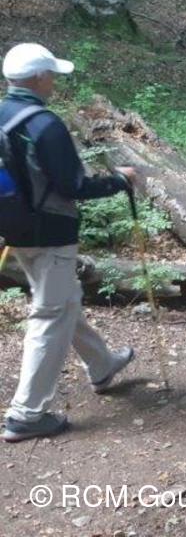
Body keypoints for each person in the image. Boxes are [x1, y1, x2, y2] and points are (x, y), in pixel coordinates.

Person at [0, 43, 138, 443]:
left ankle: (102, 365)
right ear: (39, 77)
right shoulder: (45, 124)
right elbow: (74, 186)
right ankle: (26, 414)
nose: (55, 83)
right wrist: (120, 180)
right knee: (50, 313)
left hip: (15, 228)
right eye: (52, 76)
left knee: (64, 299)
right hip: (51, 233)